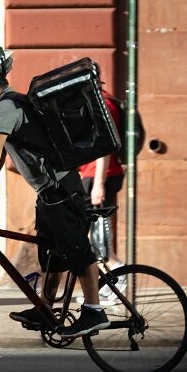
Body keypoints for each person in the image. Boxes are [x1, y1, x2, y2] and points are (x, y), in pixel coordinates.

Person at [0, 45, 109, 339]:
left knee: (77, 249)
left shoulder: (7, 106)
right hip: (50, 193)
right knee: (52, 256)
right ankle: (46, 309)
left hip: (62, 189)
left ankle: (94, 311)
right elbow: (2, 154)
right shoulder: (10, 106)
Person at [77, 89, 126, 305]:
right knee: (92, 237)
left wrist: (98, 185)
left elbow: (104, 146)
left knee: (99, 238)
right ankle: (107, 287)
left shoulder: (102, 103)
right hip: (96, 175)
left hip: (100, 175)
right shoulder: (102, 101)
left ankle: (117, 278)